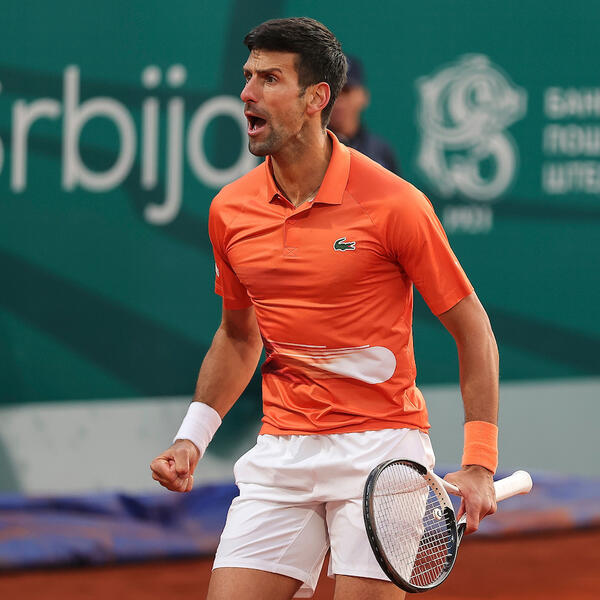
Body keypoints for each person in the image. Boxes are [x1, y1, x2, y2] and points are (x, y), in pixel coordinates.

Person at [150, 17, 499, 600]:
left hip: (382, 451)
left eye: (270, 79)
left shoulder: (395, 203)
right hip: (282, 451)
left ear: (316, 99)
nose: (247, 93)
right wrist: (192, 438)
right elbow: (239, 337)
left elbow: (473, 330)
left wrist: (481, 462)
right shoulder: (230, 210)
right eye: (248, 76)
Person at [328, 55, 399, 174]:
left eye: (346, 90)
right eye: (333, 91)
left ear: (363, 96)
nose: (339, 100)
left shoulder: (380, 152)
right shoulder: (312, 150)